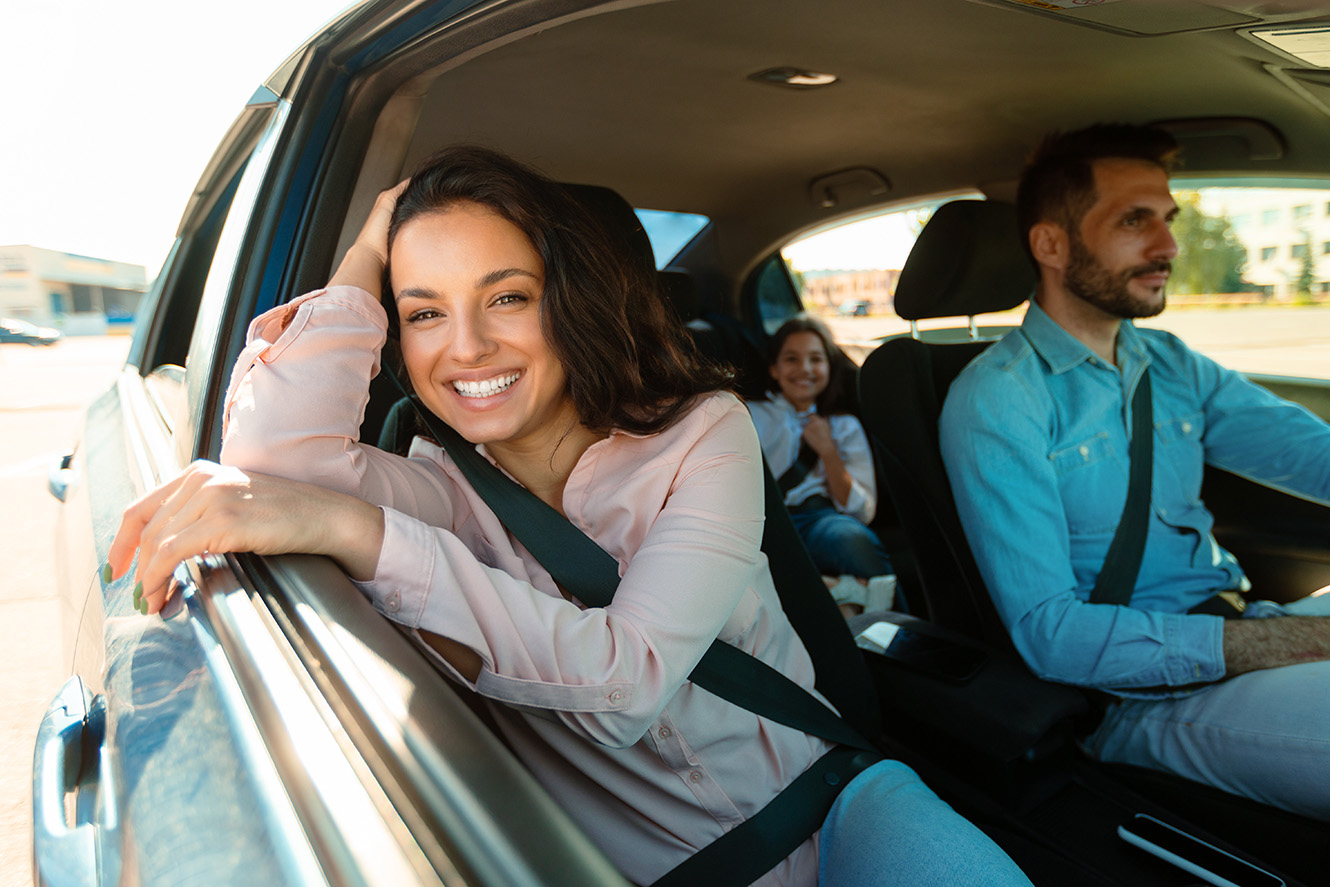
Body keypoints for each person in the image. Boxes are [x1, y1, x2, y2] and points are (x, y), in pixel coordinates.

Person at [107, 146, 1032, 886]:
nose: (465, 347)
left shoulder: (704, 433)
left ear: (569, 296)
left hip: (834, 810)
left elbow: (627, 685)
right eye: (423, 313)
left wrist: (353, 532)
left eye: (506, 296)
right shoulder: (434, 488)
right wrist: (364, 253)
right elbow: (273, 468)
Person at [939, 123, 1330, 821]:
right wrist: (1291, 641)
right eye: (1134, 220)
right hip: (1143, 698)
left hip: (1244, 622)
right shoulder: (1000, 396)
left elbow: (1309, 452)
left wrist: (1276, 636)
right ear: (1051, 244)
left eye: (1168, 219)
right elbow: (1051, 633)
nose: (1169, 246)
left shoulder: (1172, 362)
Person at [748, 316, 896, 617]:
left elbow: (861, 511)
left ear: (829, 368)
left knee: (851, 539)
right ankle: (839, 589)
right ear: (774, 369)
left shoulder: (844, 426)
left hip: (820, 520)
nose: (804, 369)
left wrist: (828, 451)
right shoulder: (750, 415)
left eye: (816, 359)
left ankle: (891, 626)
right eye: (792, 359)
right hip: (762, 521)